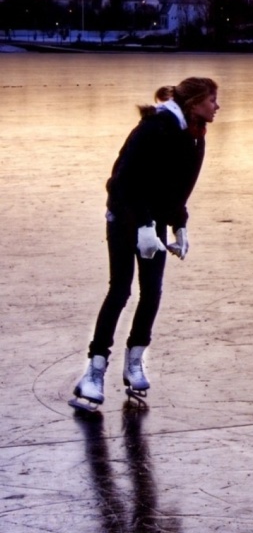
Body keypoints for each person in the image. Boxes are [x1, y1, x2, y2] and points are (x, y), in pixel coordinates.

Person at [70, 78, 220, 411]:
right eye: (211, 100)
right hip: (125, 217)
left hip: (155, 221)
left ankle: (134, 360)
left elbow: (177, 188)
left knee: (152, 291)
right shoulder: (155, 129)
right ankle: (93, 372)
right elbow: (120, 183)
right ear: (194, 102)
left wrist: (179, 225)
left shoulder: (195, 135)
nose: (216, 107)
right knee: (120, 290)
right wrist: (142, 227)